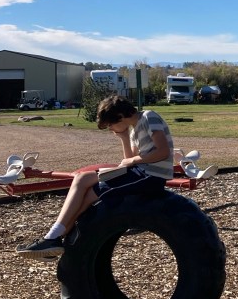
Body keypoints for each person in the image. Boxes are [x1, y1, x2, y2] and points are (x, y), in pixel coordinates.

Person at [16, 94, 174, 259]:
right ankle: (53, 238)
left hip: (151, 176)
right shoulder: (134, 129)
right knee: (82, 178)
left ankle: (54, 238)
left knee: (91, 194)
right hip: (139, 173)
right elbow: (130, 159)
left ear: (120, 116)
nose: (110, 129)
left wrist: (133, 160)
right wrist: (124, 138)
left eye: (110, 124)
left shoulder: (149, 117)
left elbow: (163, 151)